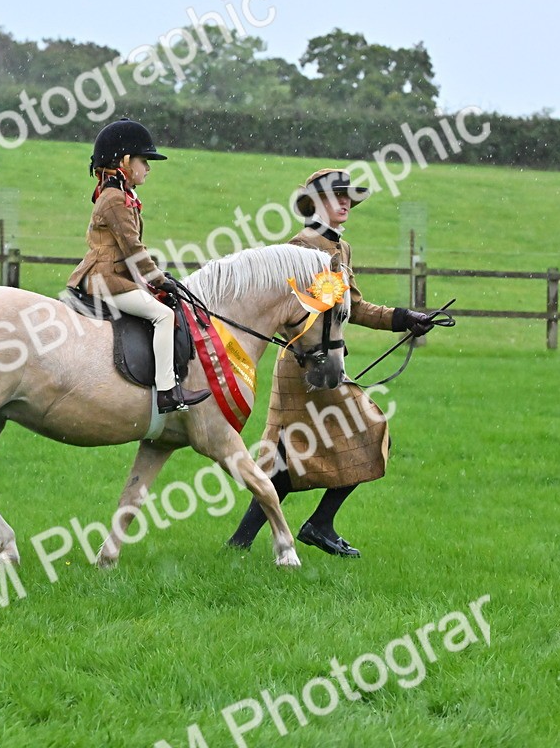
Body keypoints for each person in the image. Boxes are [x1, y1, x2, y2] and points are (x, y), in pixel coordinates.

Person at [227, 168, 435, 557]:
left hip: (323, 363)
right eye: (337, 196)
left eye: (349, 197)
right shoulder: (303, 246)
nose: (345, 203)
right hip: (305, 365)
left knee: (287, 460)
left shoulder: (342, 248)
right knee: (369, 430)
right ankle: (318, 526)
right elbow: (291, 309)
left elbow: (352, 307)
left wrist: (403, 318)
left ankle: (241, 544)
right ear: (317, 202)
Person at [67, 118, 210, 414]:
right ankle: (168, 391)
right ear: (126, 161)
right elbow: (133, 249)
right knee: (162, 315)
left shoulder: (122, 196)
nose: (148, 168)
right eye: (145, 161)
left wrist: (156, 278)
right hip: (106, 278)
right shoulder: (115, 199)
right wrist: (158, 279)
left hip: (115, 275)